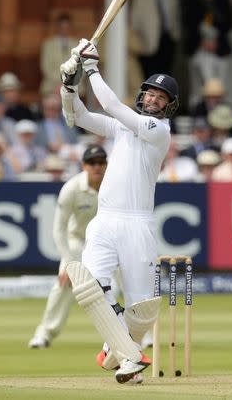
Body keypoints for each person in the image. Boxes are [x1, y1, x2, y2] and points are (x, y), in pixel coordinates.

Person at [59, 38, 179, 384]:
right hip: (105, 219)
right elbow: (76, 116)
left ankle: (123, 353)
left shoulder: (159, 131)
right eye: (150, 94)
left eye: (161, 98)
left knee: (142, 308)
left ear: (167, 106)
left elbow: (111, 104)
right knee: (92, 287)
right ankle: (128, 355)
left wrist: (91, 67)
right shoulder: (122, 129)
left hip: (138, 226)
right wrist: (69, 85)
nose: (153, 100)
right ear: (143, 95)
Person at [28, 144, 108, 349]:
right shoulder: (72, 188)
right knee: (64, 284)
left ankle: (138, 337)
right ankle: (44, 334)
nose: (96, 167)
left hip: (107, 243)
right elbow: (59, 228)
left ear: (106, 165)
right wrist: (68, 262)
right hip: (78, 241)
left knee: (121, 284)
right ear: (83, 165)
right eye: (92, 163)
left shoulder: (114, 185)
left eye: (100, 162)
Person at [130, 0, 181, 78]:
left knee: (165, 73)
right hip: (147, 41)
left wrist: (175, 36)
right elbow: (134, 19)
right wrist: (136, 36)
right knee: (148, 73)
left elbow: (175, 19)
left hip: (167, 39)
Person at [40, 12, 78, 97]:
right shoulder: (48, 44)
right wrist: (60, 84)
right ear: (57, 27)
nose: (64, 29)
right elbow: (46, 67)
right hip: (52, 87)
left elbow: (80, 67)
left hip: (74, 87)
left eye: (67, 27)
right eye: (62, 27)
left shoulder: (77, 44)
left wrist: (67, 84)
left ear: (70, 27)